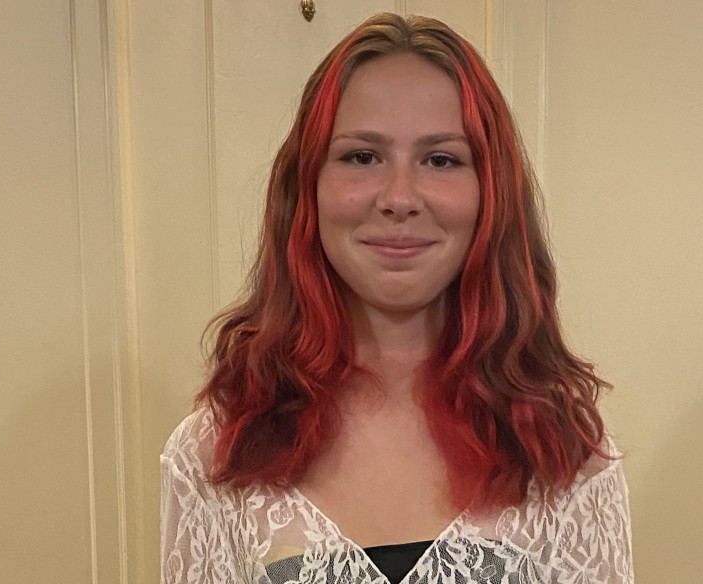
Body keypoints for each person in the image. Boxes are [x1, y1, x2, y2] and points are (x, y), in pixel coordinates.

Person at [161, 12, 633, 584]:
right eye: (363, 156)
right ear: (307, 187)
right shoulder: (216, 451)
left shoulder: (562, 449)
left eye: (441, 159)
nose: (400, 197)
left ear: (491, 194)